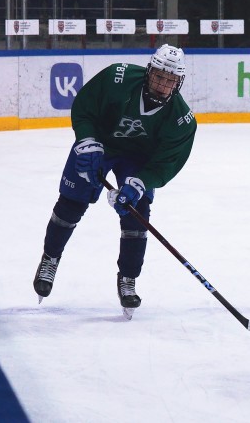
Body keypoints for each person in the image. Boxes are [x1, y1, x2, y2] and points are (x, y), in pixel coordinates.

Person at [33, 44, 196, 318]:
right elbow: (85, 108)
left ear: (178, 82)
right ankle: (50, 258)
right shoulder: (116, 77)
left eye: (169, 80)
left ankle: (128, 279)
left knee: (137, 213)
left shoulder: (182, 120)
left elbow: (166, 163)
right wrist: (86, 140)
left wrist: (140, 182)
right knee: (71, 204)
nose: (162, 84)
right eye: (158, 76)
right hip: (98, 145)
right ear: (148, 71)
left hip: (137, 161)